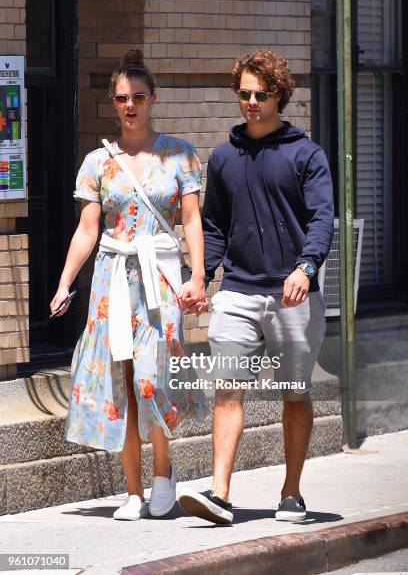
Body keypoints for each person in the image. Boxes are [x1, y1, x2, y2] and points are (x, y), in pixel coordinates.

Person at [50, 49, 208, 521]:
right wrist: (64, 284)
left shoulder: (179, 154)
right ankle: (133, 491)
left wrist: (197, 277)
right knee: (121, 385)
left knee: (150, 378)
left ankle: (164, 474)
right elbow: (87, 229)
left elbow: (193, 220)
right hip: (113, 280)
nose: (131, 105)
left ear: (152, 98)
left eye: (138, 97)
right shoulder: (98, 161)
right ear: (114, 103)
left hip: (161, 279)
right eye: (122, 98)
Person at [178, 50, 334, 525]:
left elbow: (321, 219)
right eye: (243, 93)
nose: (249, 101)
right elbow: (215, 227)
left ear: (278, 96)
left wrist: (306, 268)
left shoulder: (306, 154)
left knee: (293, 392)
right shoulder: (224, 158)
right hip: (239, 292)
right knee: (228, 388)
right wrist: (201, 277)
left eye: (259, 94)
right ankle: (220, 493)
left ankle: (291, 493)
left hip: (293, 295)